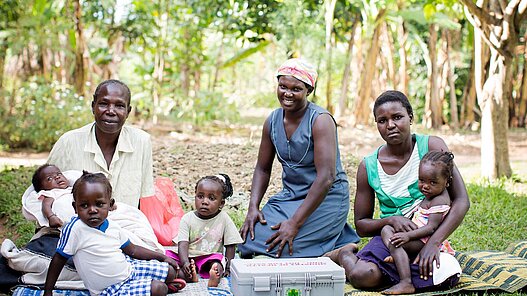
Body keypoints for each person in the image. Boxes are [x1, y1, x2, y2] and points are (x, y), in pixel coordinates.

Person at [333, 90, 469, 291]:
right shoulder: (368, 167)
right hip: (392, 238)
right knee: (363, 276)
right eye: (382, 120)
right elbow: (361, 225)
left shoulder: (431, 147)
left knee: (447, 276)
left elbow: (461, 201)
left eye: (397, 117)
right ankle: (345, 255)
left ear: (411, 117)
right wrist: (390, 220)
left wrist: (433, 242)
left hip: (425, 237)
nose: (390, 125)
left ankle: (399, 275)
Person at [238, 58, 359, 259]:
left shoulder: (320, 121)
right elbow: (262, 168)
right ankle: (333, 239)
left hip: (326, 197)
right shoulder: (272, 121)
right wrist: (253, 208)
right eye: (282, 86)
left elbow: (326, 178)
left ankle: (338, 247)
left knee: (283, 245)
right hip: (292, 196)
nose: (287, 93)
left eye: (296, 89)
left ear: (308, 90)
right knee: (247, 239)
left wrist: (294, 223)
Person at [44, 171, 186, 296]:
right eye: (84, 205)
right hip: (110, 289)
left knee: (170, 270)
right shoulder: (75, 229)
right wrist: (48, 291)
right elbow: (59, 259)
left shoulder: (113, 226)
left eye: (99, 204)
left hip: (130, 269)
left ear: (110, 205)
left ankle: (175, 277)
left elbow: (133, 249)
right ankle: (159, 286)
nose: (92, 210)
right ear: (75, 208)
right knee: (159, 289)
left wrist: (162, 257)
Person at [47, 79, 154, 208]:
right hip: (77, 226)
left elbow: (144, 199)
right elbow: (45, 191)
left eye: (119, 106)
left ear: (128, 111)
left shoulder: (141, 141)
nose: (111, 111)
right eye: (103, 104)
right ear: (93, 107)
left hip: (126, 225)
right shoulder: (68, 143)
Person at [380, 151, 456, 294]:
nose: (425, 186)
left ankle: (406, 282)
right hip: (418, 233)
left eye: (433, 182)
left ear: (447, 182)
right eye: (422, 180)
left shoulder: (439, 200)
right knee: (386, 230)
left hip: (424, 240)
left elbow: (431, 228)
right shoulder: (432, 194)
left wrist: (407, 236)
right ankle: (401, 257)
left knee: (395, 243)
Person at [166, 174, 243, 287]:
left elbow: (231, 245)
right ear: (195, 196)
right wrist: (185, 262)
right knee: (169, 258)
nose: (204, 202)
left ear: (221, 204)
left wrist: (228, 267)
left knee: (218, 263)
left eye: (211, 198)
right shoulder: (187, 218)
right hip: (189, 257)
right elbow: (182, 244)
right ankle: (189, 274)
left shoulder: (224, 218)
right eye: (200, 196)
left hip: (210, 257)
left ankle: (214, 274)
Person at [30, 164, 75, 228]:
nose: (57, 177)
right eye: (49, 178)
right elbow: (46, 205)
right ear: (43, 188)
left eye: (59, 174)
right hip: (67, 223)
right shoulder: (51, 193)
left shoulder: (73, 188)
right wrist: (51, 217)